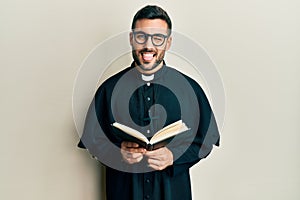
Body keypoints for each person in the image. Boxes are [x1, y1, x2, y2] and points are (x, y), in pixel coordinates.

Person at [78, 5, 220, 200]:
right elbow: (94, 143)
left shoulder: (190, 90)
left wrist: (174, 156)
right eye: (141, 37)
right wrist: (118, 154)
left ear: (168, 42)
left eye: (158, 38)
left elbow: (205, 141)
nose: (148, 46)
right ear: (131, 39)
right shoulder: (109, 90)